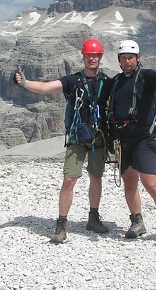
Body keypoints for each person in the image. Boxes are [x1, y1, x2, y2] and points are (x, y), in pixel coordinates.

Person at [14, 39, 114, 243]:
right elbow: (45, 88)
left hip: (99, 137)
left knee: (96, 178)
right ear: (83, 57)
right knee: (69, 180)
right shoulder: (72, 81)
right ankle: (61, 224)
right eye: (89, 55)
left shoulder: (107, 82)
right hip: (77, 138)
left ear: (100, 57)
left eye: (95, 55)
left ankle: (93, 218)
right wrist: (24, 83)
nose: (92, 58)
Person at [109, 40, 156, 246]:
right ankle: (137, 222)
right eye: (124, 58)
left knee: (151, 183)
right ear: (120, 61)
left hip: (144, 139)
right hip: (124, 140)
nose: (127, 61)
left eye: (131, 57)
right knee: (130, 183)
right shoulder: (116, 82)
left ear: (138, 58)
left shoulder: (145, 77)